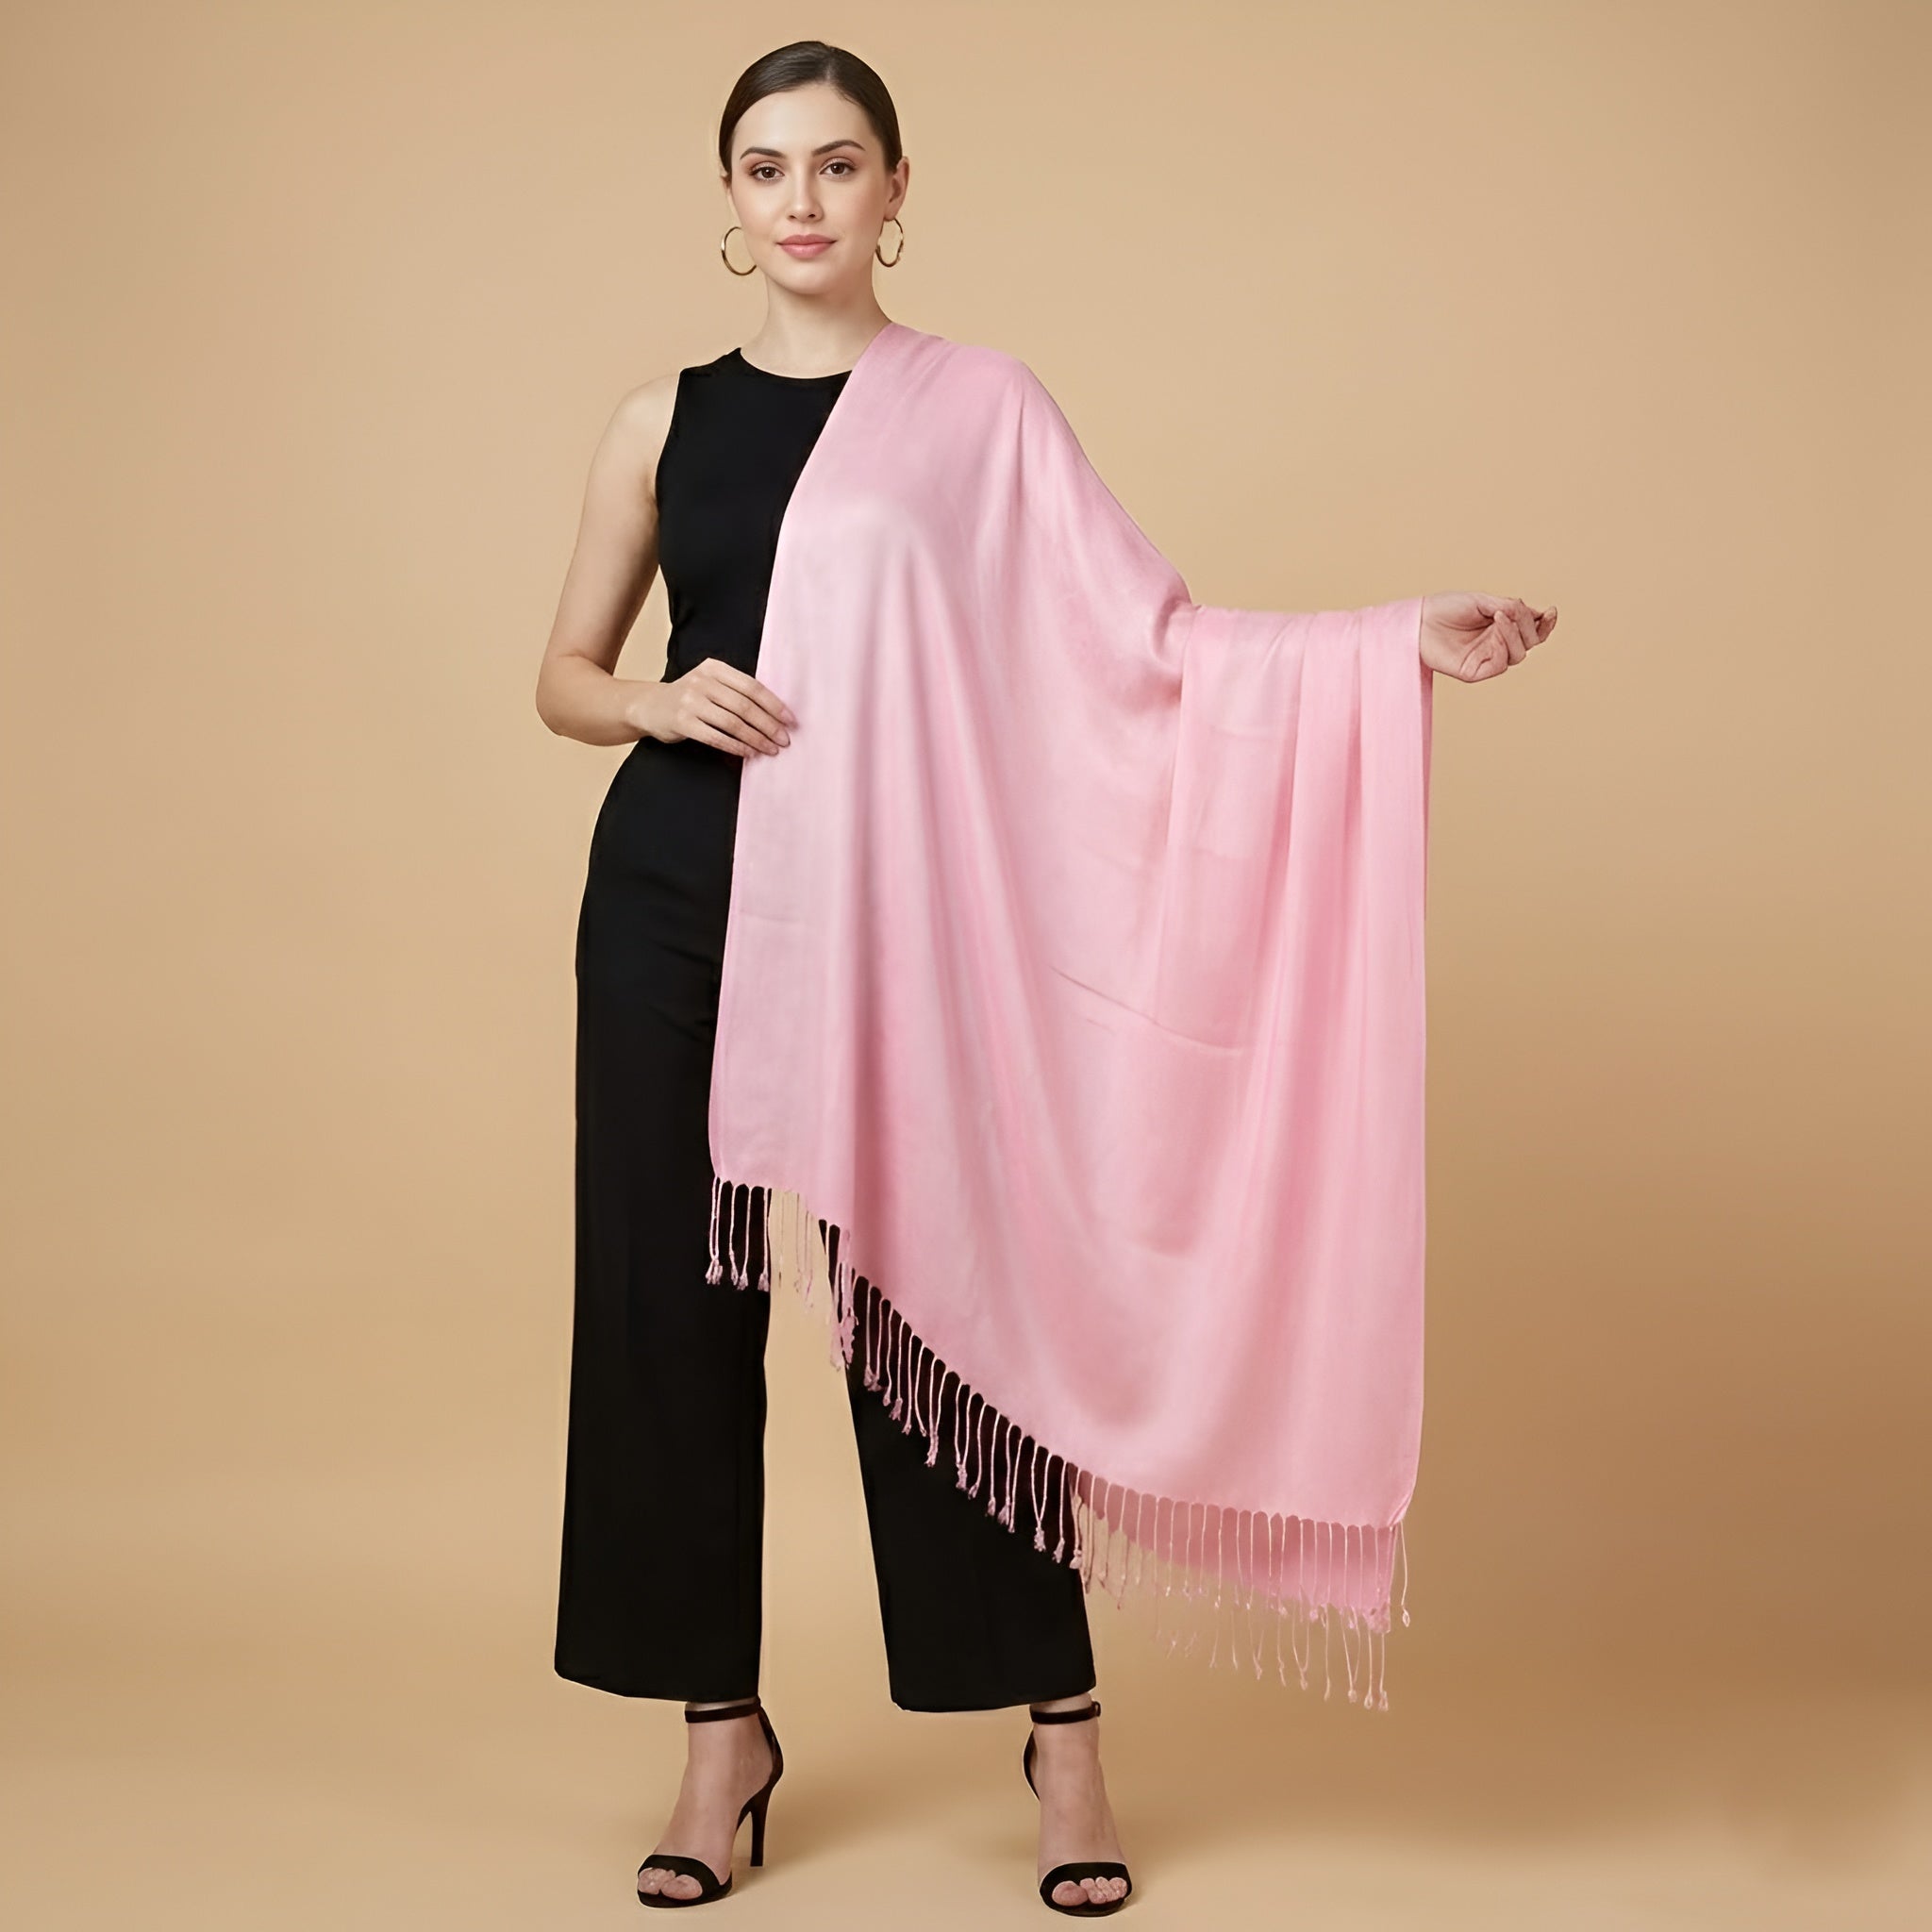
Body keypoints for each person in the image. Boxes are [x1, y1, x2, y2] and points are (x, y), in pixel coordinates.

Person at [533, 41, 1137, 1918]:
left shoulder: (976, 409)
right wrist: (656, 701)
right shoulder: (662, 417)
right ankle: (721, 1738)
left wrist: (1381, 649)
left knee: (935, 1306)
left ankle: (1063, 1736)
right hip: (672, 896)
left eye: (838, 163)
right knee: (667, 1302)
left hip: (889, 907)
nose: (800, 199)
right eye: (765, 167)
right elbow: (564, 672)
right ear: (730, 199)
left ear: (894, 189)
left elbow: (1137, 640)